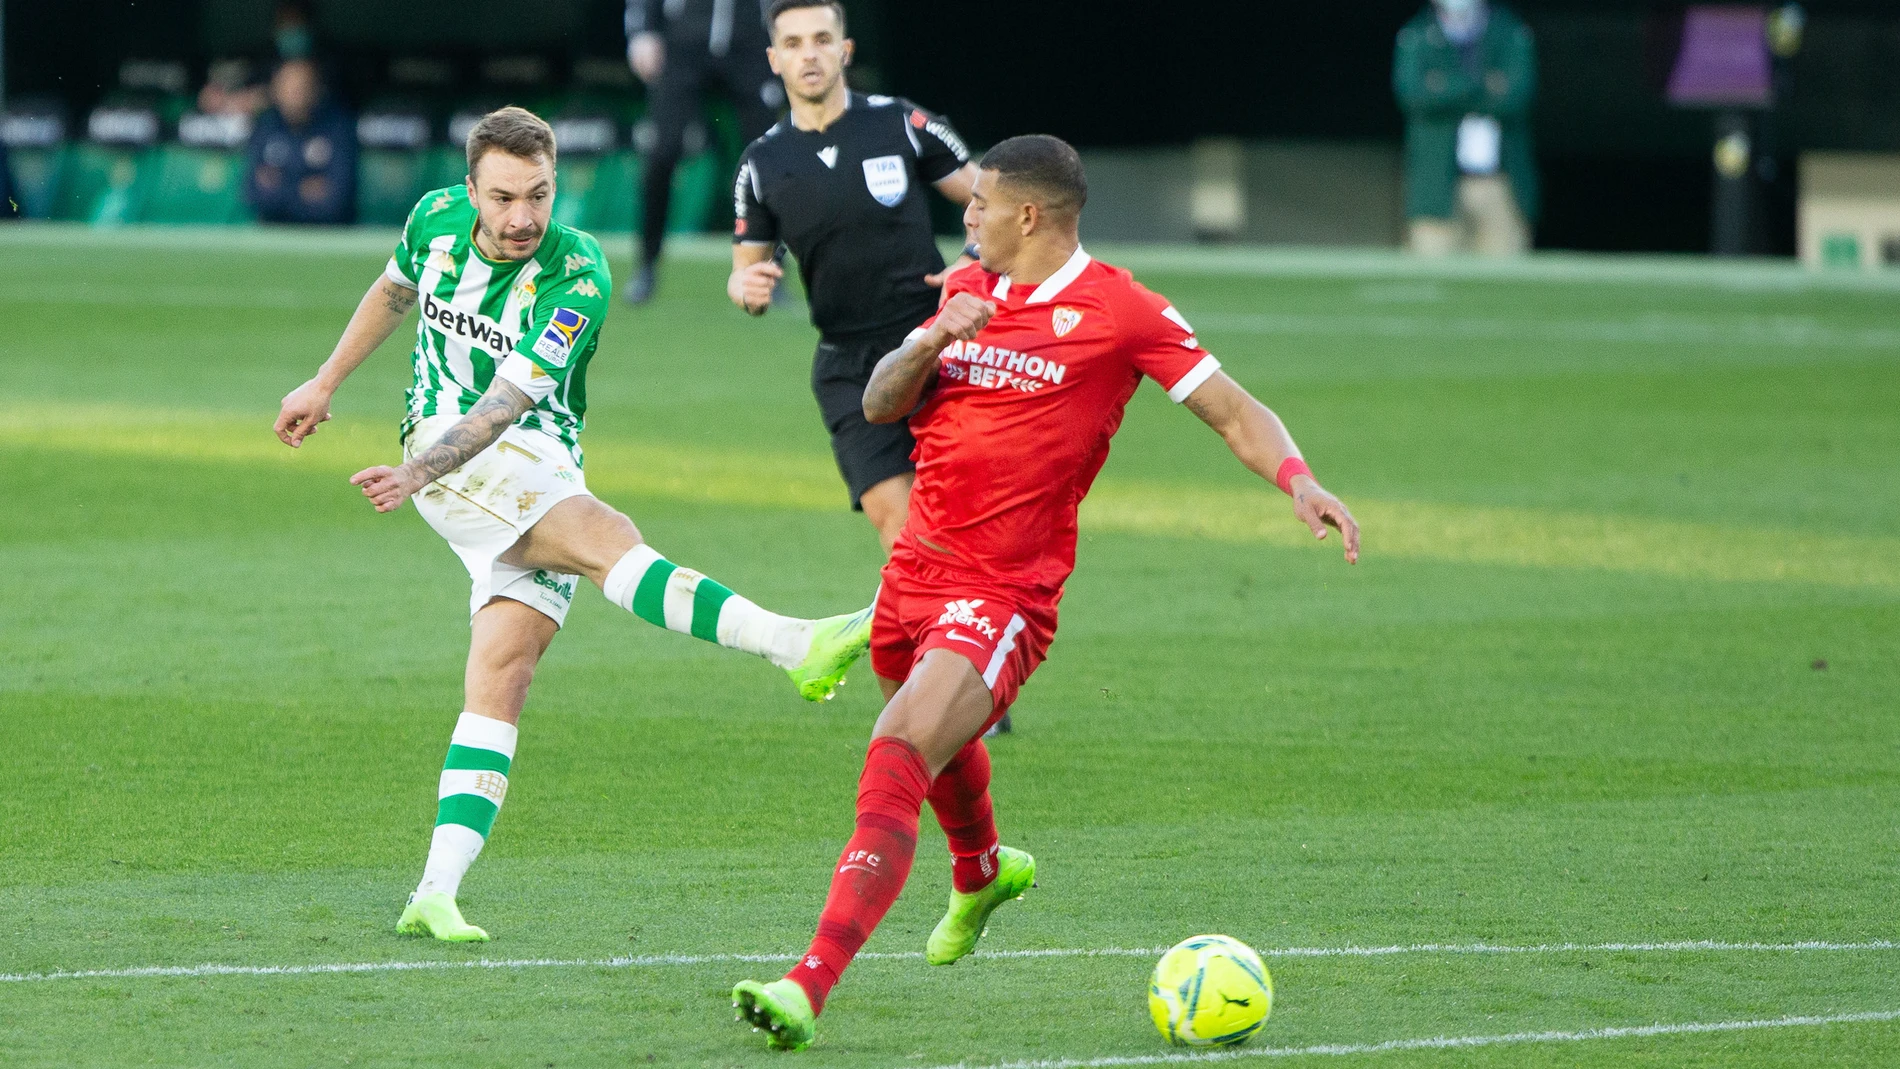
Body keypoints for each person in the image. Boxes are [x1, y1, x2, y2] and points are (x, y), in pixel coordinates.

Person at [728, 135, 1360, 1050]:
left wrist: (1298, 477)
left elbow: (1231, 408)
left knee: (899, 748)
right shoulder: (959, 291)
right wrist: (936, 335)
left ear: (1028, 214)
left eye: (979, 201)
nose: (966, 214)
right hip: (911, 576)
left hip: (1004, 591)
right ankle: (981, 871)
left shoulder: (1120, 309)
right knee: (936, 742)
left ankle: (806, 983)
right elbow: (878, 403)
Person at [272, 106, 873, 944]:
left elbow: (510, 399)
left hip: (527, 452)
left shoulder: (578, 272)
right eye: (505, 197)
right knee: (606, 535)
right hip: (448, 457)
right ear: (471, 187)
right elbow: (395, 291)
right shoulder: (433, 220)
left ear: (558, 183)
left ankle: (434, 891)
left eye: (540, 195)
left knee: (504, 671)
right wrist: (328, 384)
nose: (522, 217)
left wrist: (416, 471)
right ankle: (791, 643)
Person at [728, 0, 977, 556]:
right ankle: (935, 637)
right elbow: (745, 271)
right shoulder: (762, 163)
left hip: (935, 345)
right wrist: (746, 289)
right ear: (773, 58)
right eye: (792, 44)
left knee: (966, 519)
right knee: (903, 528)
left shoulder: (902, 122)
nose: (808, 54)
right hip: (849, 367)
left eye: (821, 39)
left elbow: (989, 197)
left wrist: (976, 254)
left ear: (845, 49)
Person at [625, 0, 782, 303]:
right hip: (684, 40)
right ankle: (646, 264)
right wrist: (642, 30)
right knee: (661, 151)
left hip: (752, 41)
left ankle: (769, 267)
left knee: (768, 156)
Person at [1393, 0, 1538, 255]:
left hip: (1499, 182)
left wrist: (1443, 87)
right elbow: (1413, 96)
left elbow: (1516, 97)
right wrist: (1482, 85)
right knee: (1434, 262)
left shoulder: (1510, 31)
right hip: (1437, 184)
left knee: (1504, 276)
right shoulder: (1416, 34)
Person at [245, 58, 357, 225]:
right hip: (272, 232)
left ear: (316, 89)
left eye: (302, 87)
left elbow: (336, 200)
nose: (295, 94)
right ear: (275, 89)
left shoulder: (338, 128)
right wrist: (303, 189)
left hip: (328, 235)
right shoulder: (266, 126)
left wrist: (280, 186)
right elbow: (253, 193)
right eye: (288, 87)